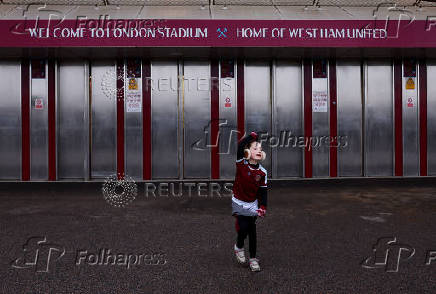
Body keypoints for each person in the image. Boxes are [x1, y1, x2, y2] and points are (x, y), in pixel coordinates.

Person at [231, 131, 267, 272]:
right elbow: (240, 146)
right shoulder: (241, 164)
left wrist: (263, 206)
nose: (259, 150)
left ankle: (253, 259)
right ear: (247, 152)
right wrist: (252, 137)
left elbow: (262, 192)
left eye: (260, 149)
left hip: (253, 204)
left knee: (252, 231)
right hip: (239, 201)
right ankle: (239, 246)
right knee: (243, 228)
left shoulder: (262, 172)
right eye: (255, 148)